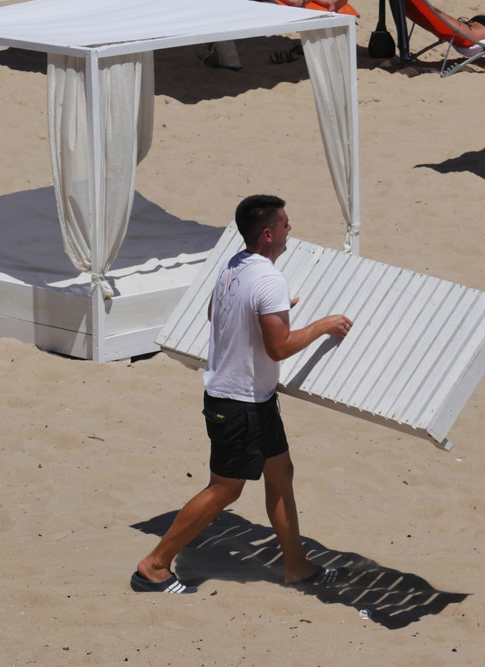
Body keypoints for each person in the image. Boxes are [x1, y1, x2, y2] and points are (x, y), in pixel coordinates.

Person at [132, 195, 354, 595]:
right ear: (268, 234)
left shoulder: (232, 266)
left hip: (254, 399)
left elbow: (215, 314)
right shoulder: (270, 279)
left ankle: (296, 567)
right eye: (285, 224)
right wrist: (321, 325)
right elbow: (280, 348)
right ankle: (154, 565)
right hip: (239, 405)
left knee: (280, 475)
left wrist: (269, 312)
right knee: (225, 489)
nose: (290, 230)